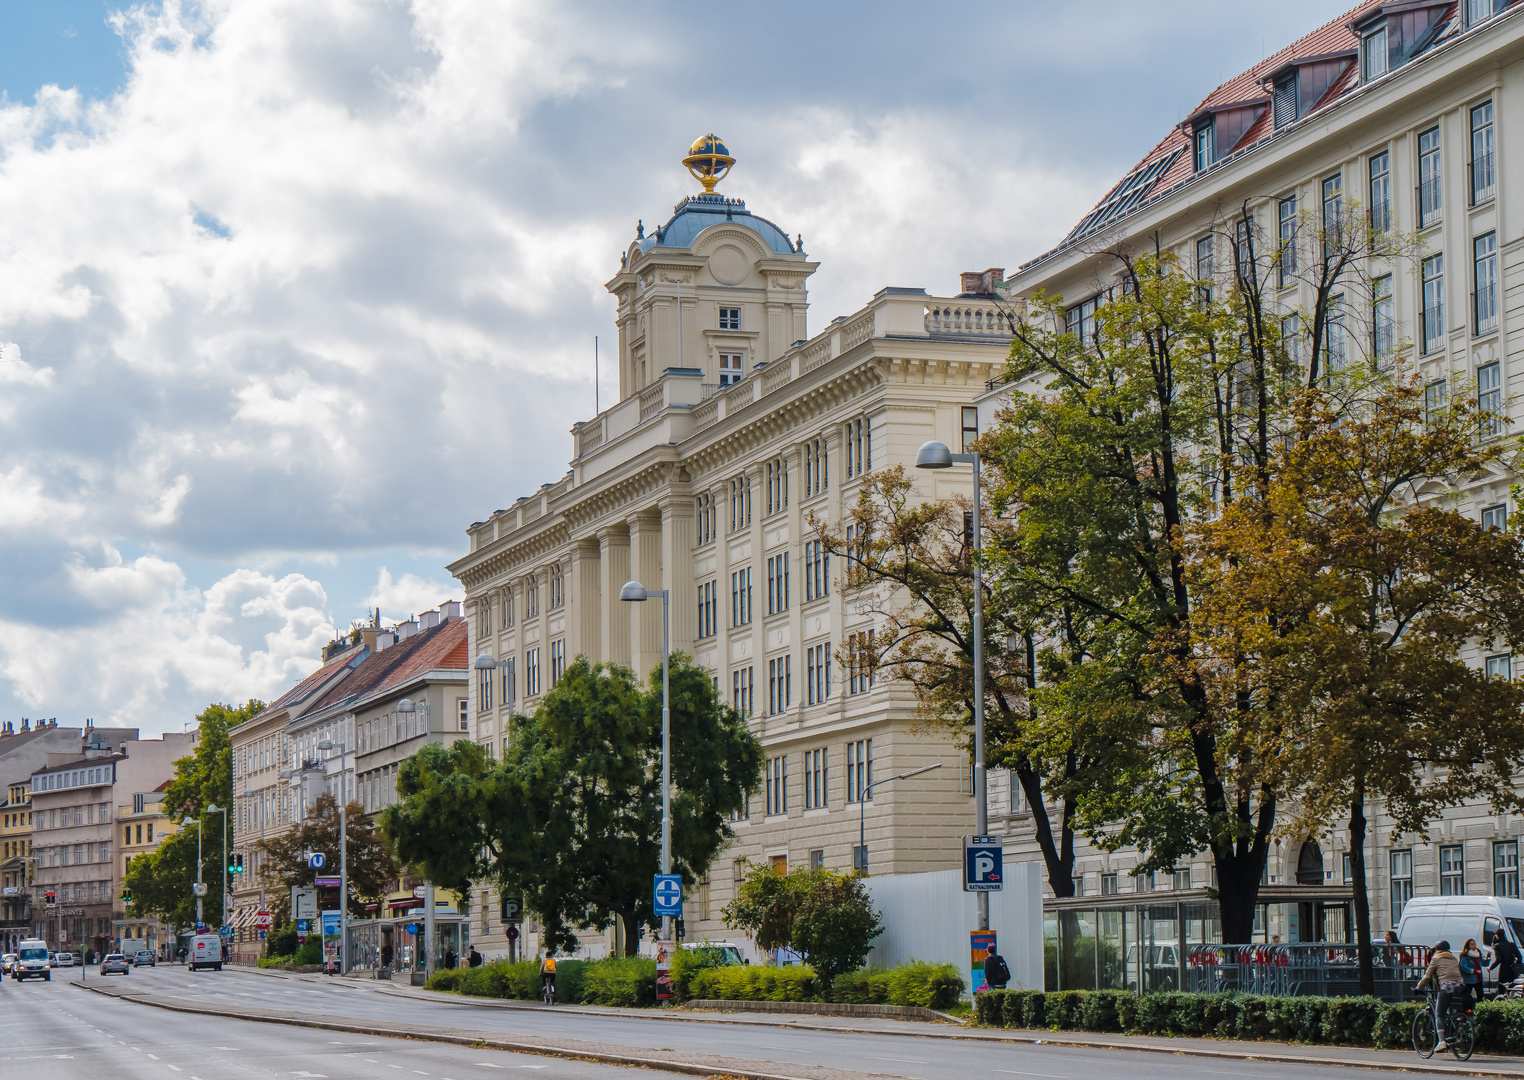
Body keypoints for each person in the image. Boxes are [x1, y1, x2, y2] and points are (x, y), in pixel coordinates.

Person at [1415, 939, 1466, 1052]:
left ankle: (1442, 1041)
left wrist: (1419, 988)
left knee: (1439, 1014)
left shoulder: (1436, 958)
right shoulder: (1453, 958)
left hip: (1446, 987)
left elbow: (1427, 976)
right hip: (1460, 986)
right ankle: (1455, 1028)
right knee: (1454, 1009)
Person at [1459, 938, 1484, 1007]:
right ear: (1468, 946)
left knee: (1481, 997)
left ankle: (1481, 1009)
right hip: (1468, 980)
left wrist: (1488, 958)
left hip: (1478, 979)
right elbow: (1464, 967)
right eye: (1472, 945)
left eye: (1474, 944)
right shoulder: (1465, 955)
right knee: (1467, 997)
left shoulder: (1478, 954)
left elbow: (1483, 963)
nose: (1474, 946)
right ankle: (1467, 1010)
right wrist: (1474, 971)